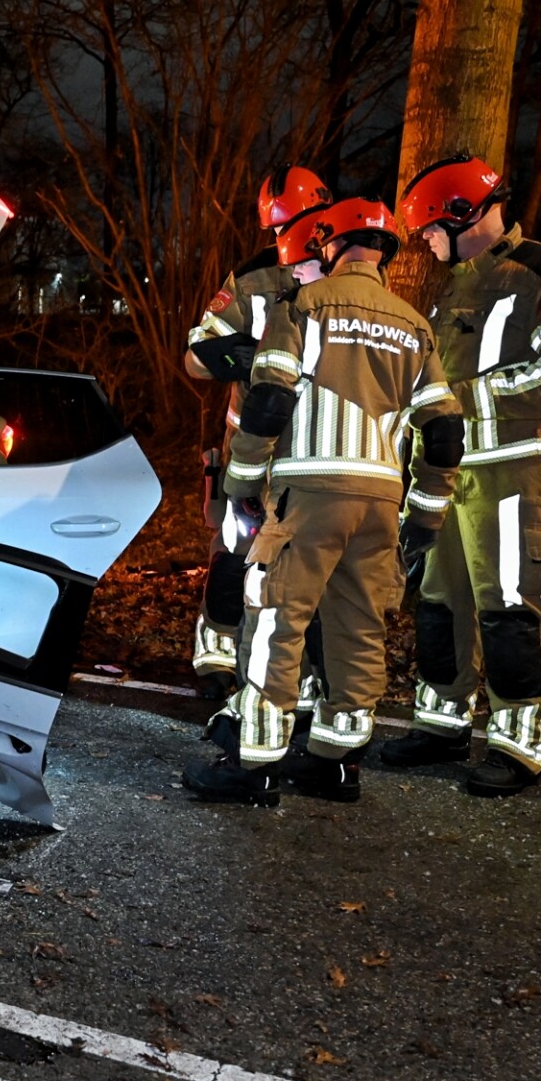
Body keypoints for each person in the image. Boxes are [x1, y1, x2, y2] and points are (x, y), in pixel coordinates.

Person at [184, 199, 463, 805]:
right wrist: (425, 514)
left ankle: (253, 764)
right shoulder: (415, 326)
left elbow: (268, 401)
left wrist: (241, 486)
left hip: (309, 494)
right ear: (384, 252)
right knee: (358, 629)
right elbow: (444, 431)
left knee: (275, 620)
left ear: (330, 244)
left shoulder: (303, 306)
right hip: (381, 503)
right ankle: (337, 764)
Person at [381, 153, 541, 796]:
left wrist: (461, 403)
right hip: (451, 477)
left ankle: (518, 742)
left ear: (461, 213)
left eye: (430, 228)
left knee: (510, 608)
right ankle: (442, 724)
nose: (425, 240)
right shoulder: (455, 284)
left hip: (517, 476)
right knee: (439, 603)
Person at [184, 166, 332, 713]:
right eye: (279, 230)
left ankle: (303, 674)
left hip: (317, 445)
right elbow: (197, 353)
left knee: (310, 561)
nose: (288, 240)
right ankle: (217, 655)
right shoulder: (252, 278)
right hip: (252, 443)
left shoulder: (348, 274)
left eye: (296, 225)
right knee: (235, 548)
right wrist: (240, 357)